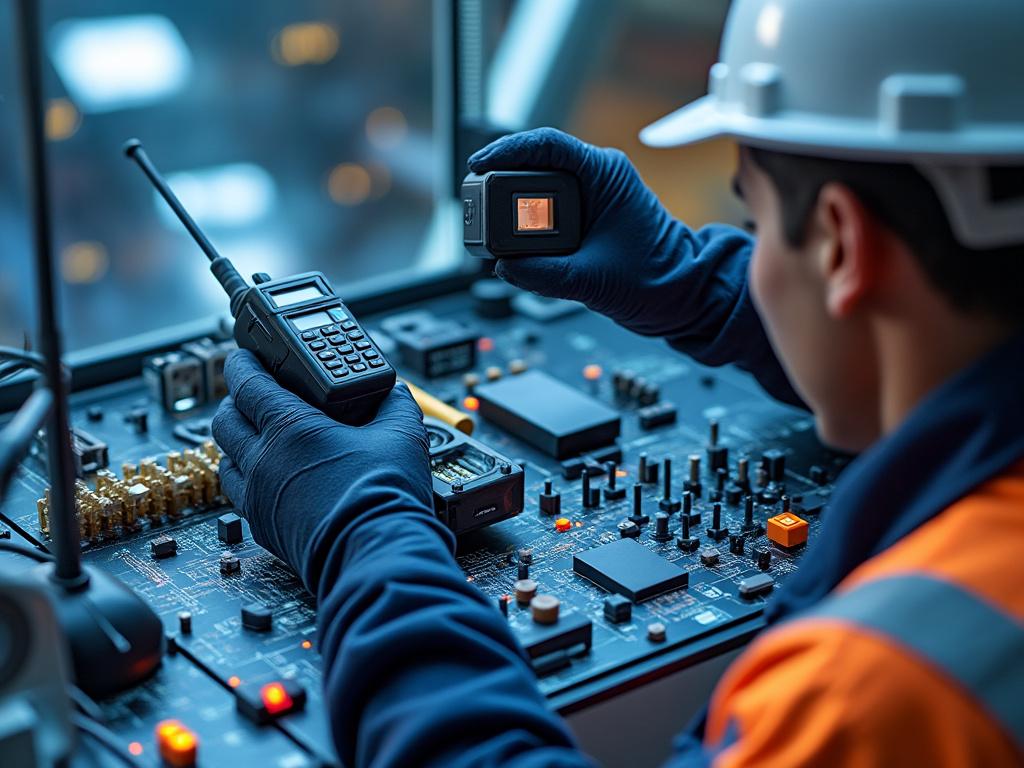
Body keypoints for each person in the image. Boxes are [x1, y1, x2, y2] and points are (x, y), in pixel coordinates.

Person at [211, 0, 1024, 764]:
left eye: (756, 224)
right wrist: (705, 289)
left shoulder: (876, 688)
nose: (748, 251)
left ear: (842, 244)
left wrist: (369, 544)